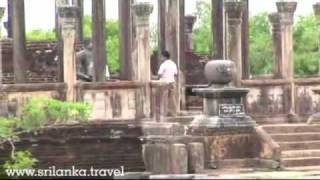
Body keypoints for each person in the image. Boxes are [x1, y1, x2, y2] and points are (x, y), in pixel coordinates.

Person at [158, 50, 178, 116]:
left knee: (164, 98)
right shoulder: (173, 64)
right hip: (172, 82)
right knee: (172, 99)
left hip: (164, 83)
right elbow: (175, 74)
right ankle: (174, 113)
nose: (160, 58)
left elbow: (159, 74)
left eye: (161, 56)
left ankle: (164, 113)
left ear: (164, 57)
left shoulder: (163, 64)